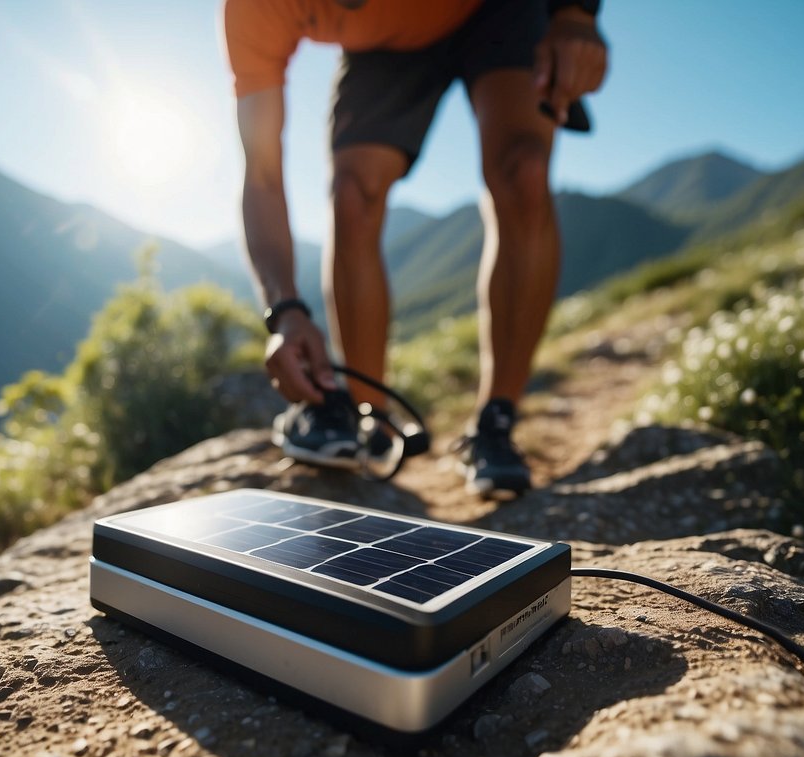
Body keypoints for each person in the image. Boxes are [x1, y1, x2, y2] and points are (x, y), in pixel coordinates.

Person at [222, 0, 607, 499]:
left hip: (499, 11)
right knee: (352, 193)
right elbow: (262, 174)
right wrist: (285, 312)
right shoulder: (252, 11)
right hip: (382, 46)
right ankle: (371, 419)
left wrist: (576, 14)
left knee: (524, 171)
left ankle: (496, 421)